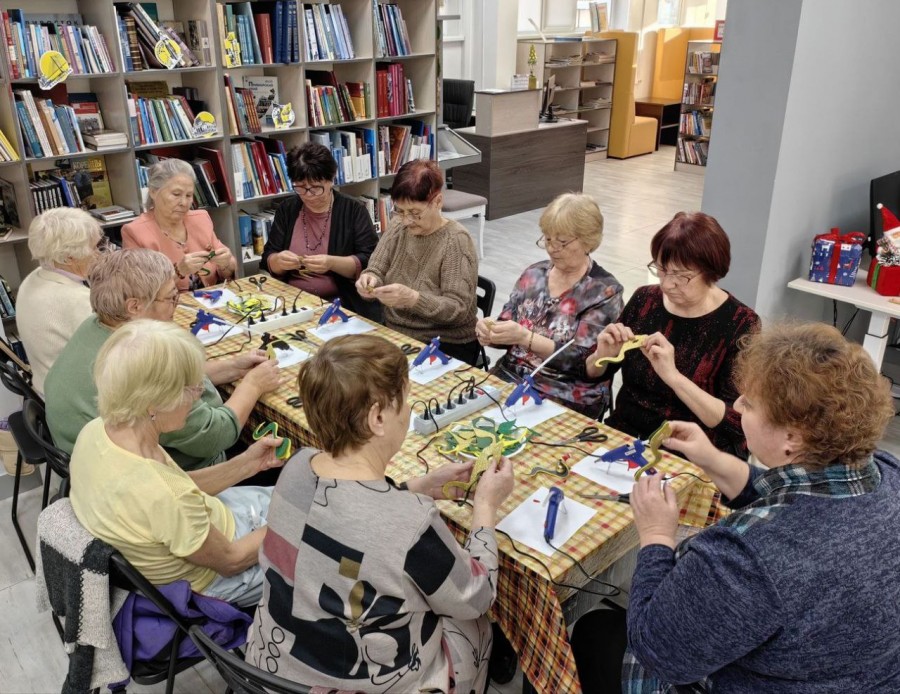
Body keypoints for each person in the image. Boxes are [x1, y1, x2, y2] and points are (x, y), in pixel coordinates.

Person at [619, 322, 900, 692]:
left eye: (749, 404)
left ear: (792, 437)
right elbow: (797, 500)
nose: (736, 406)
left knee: (596, 633)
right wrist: (714, 460)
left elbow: (659, 649)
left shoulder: (748, 558)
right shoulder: (885, 472)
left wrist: (656, 538)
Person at [246, 334, 514, 692]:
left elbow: (351, 518)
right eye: (404, 400)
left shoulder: (298, 466)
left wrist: (415, 487)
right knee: (474, 625)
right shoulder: (412, 523)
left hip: (272, 667)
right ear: (377, 417)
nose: (408, 410)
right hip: (357, 683)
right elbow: (477, 595)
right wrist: (485, 508)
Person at [69, 320, 283, 607]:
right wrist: (294, 522)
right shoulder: (164, 494)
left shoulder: (99, 431)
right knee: (325, 534)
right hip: (218, 580)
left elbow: (180, 487)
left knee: (301, 500)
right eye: (191, 389)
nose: (197, 397)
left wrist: (247, 464)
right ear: (153, 402)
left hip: (210, 532)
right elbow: (231, 561)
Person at [45, 249, 282, 470]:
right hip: (156, 479)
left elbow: (168, 386)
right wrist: (253, 385)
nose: (176, 308)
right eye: (171, 298)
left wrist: (231, 367)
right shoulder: (142, 355)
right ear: (135, 306)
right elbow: (215, 437)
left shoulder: (98, 325)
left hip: (88, 464)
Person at [585, 212, 759, 455]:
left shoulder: (741, 323)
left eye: (681, 275)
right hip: (626, 436)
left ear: (711, 271)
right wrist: (602, 356)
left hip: (691, 451)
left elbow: (735, 422)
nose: (666, 284)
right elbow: (592, 374)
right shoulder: (645, 299)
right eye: (662, 270)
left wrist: (673, 376)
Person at [476, 193, 623, 418]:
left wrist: (525, 338)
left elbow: (586, 364)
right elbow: (506, 324)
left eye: (562, 242)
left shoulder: (604, 292)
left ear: (588, 241)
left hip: (564, 393)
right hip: (510, 377)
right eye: (547, 239)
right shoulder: (534, 274)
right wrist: (491, 333)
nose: (552, 249)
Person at [357, 159, 479, 364]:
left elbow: (458, 309)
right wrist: (368, 280)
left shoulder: (456, 240)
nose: (406, 220)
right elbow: (376, 269)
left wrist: (413, 299)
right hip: (395, 331)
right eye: (400, 211)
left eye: (415, 213)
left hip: (445, 341)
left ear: (438, 201)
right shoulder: (399, 226)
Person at [262, 141, 380, 318]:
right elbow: (268, 258)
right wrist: (278, 261)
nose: (308, 195)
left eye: (316, 188)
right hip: (291, 301)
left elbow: (370, 261)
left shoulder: (353, 210)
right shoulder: (287, 209)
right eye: (300, 188)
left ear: (331, 179)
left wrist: (331, 263)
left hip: (340, 304)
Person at [15, 208, 107, 393]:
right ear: (68, 258)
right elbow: (112, 357)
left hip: (45, 387)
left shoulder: (33, 278)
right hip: (77, 400)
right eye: (94, 247)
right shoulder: (76, 300)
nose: (99, 254)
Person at [122, 159, 235, 291]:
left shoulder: (201, 219)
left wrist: (225, 265)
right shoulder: (135, 231)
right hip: (166, 308)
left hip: (212, 300)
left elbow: (228, 273)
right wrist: (178, 271)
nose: (184, 202)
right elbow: (139, 289)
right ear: (153, 192)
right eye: (176, 194)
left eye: (189, 195)